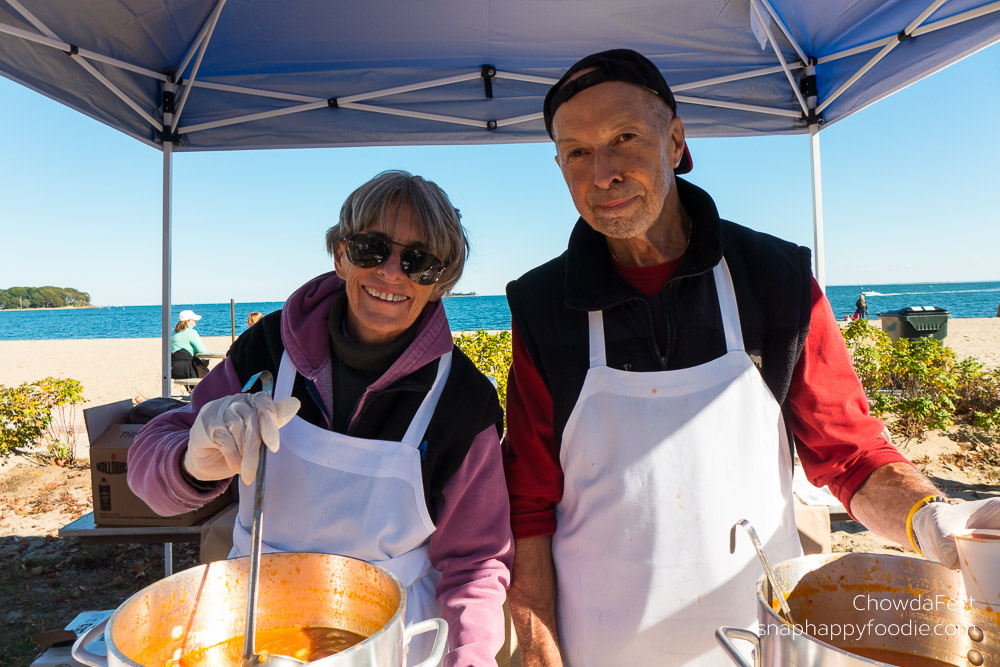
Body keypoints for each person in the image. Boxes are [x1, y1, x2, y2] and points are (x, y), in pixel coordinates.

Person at [502, 49, 1000, 666]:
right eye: (576, 151)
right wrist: (537, 645)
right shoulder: (543, 304)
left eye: (624, 137)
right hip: (596, 644)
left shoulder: (776, 278)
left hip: (766, 640)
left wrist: (931, 519)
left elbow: (849, 454)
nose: (602, 172)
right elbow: (529, 502)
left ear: (676, 140)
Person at [129, 170, 513, 666]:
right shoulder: (267, 347)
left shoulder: (463, 400)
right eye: (371, 248)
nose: (392, 273)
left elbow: (476, 561)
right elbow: (151, 479)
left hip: (393, 643)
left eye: (420, 262)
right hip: (248, 628)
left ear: (441, 283)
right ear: (339, 254)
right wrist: (190, 463)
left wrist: (470, 657)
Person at [170, 309, 210, 379]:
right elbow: (202, 350)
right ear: (188, 321)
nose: (195, 320)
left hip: (175, 370)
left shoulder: (175, 335)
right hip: (189, 370)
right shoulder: (191, 332)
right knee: (210, 376)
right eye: (193, 319)